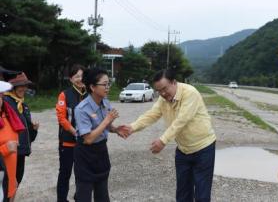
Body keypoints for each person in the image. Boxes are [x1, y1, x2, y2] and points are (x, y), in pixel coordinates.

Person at [119, 69, 216, 202]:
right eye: (159, 91)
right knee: (182, 193)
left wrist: (163, 141)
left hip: (203, 148)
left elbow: (182, 120)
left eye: (165, 89)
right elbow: (152, 115)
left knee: (202, 194)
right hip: (183, 150)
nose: (163, 94)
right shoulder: (163, 99)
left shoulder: (190, 93)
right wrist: (132, 127)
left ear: (174, 82)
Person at [74, 68, 130, 202]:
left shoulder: (105, 102)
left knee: (103, 195)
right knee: (84, 195)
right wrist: (107, 121)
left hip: (101, 152)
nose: (107, 87)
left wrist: (115, 129)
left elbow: (105, 126)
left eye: (108, 84)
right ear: (92, 87)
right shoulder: (81, 109)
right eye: (104, 84)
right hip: (85, 154)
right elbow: (88, 139)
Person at [56, 64, 86, 202]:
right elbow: (62, 118)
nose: (80, 79)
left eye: (82, 76)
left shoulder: (89, 93)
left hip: (85, 142)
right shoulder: (64, 94)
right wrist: (75, 132)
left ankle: (79, 197)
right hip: (68, 141)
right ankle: (62, 199)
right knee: (65, 173)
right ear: (71, 79)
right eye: (76, 76)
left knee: (83, 173)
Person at [4, 73, 39, 186]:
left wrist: (34, 129)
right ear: (12, 87)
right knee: (7, 184)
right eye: (20, 85)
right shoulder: (5, 103)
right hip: (9, 152)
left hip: (20, 152)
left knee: (16, 182)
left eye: (25, 85)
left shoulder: (23, 106)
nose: (23, 88)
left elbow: (30, 138)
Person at [0, 81, 25, 201]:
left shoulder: (6, 114)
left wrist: (12, 178)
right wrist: (5, 149)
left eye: (0, 96)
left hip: (8, 175)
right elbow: (6, 147)